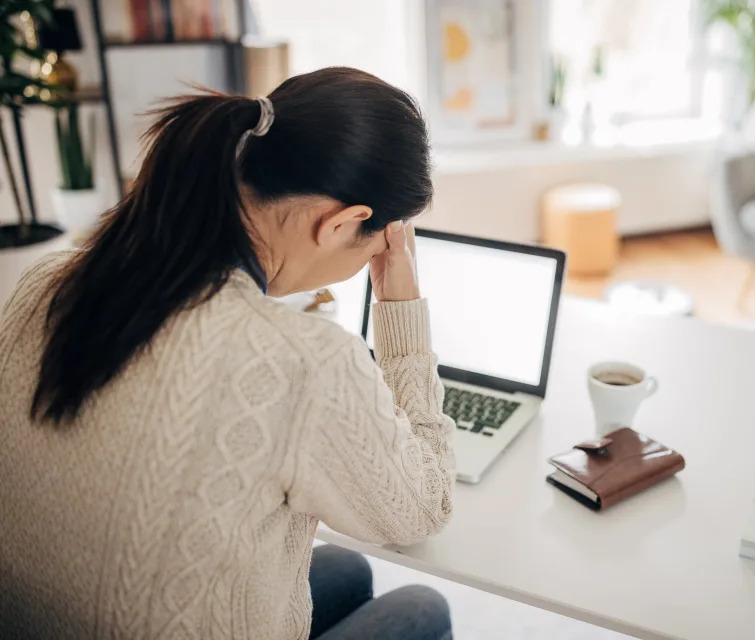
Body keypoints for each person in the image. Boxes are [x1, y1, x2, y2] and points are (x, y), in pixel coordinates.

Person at [0, 67, 455, 640]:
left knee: (347, 567)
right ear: (342, 223)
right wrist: (400, 311)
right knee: (422, 605)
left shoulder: (48, 280)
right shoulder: (305, 362)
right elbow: (423, 508)